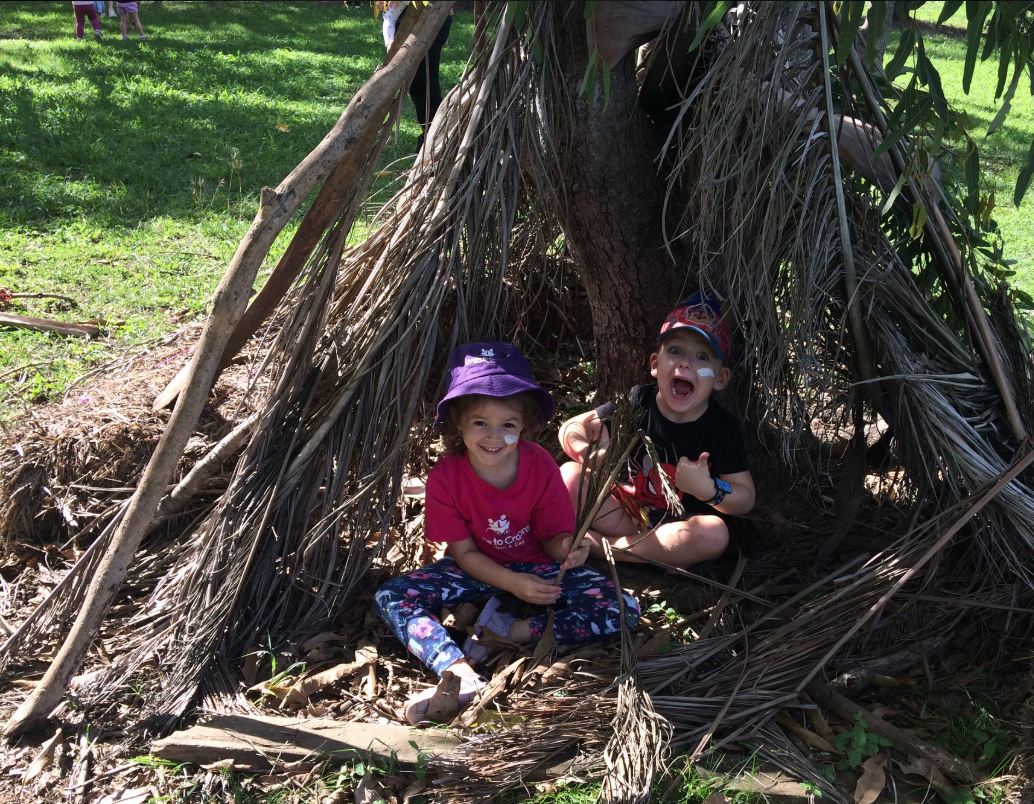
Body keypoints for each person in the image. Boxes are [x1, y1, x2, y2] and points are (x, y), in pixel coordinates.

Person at [375, 342, 640, 724]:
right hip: (475, 568)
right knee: (390, 594)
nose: (494, 437)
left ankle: (509, 630)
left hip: (536, 568)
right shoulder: (446, 478)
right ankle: (456, 670)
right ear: (458, 424)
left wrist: (569, 549)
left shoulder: (541, 465)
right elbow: (463, 553)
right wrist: (512, 583)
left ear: (523, 426)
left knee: (624, 608)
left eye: (508, 425)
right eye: (480, 422)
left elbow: (552, 538)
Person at [559, 292, 756, 569]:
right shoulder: (639, 400)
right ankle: (646, 551)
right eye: (675, 351)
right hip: (627, 514)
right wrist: (585, 452)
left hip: (681, 526)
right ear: (655, 364)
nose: (685, 363)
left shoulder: (721, 427)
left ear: (720, 378)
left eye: (702, 357)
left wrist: (709, 489)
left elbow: (745, 498)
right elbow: (572, 426)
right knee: (569, 475)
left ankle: (605, 549)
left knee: (713, 535)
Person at [378, 1, 453, 150]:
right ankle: (433, 135)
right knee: (420, 85)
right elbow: (388, 18)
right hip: (412, 18)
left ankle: (435, 137)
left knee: (424, 84)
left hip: (426, 16)